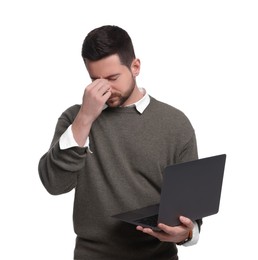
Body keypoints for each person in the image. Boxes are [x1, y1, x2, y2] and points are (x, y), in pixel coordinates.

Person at [38, 25, 202, 260]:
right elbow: (54, 184)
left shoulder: (175, 123)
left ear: (135, 67)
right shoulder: (76, 118)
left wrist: (185, 234)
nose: (104, 88)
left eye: (113, 78)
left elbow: (190, 212)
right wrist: (84, 118)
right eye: (95, 80)